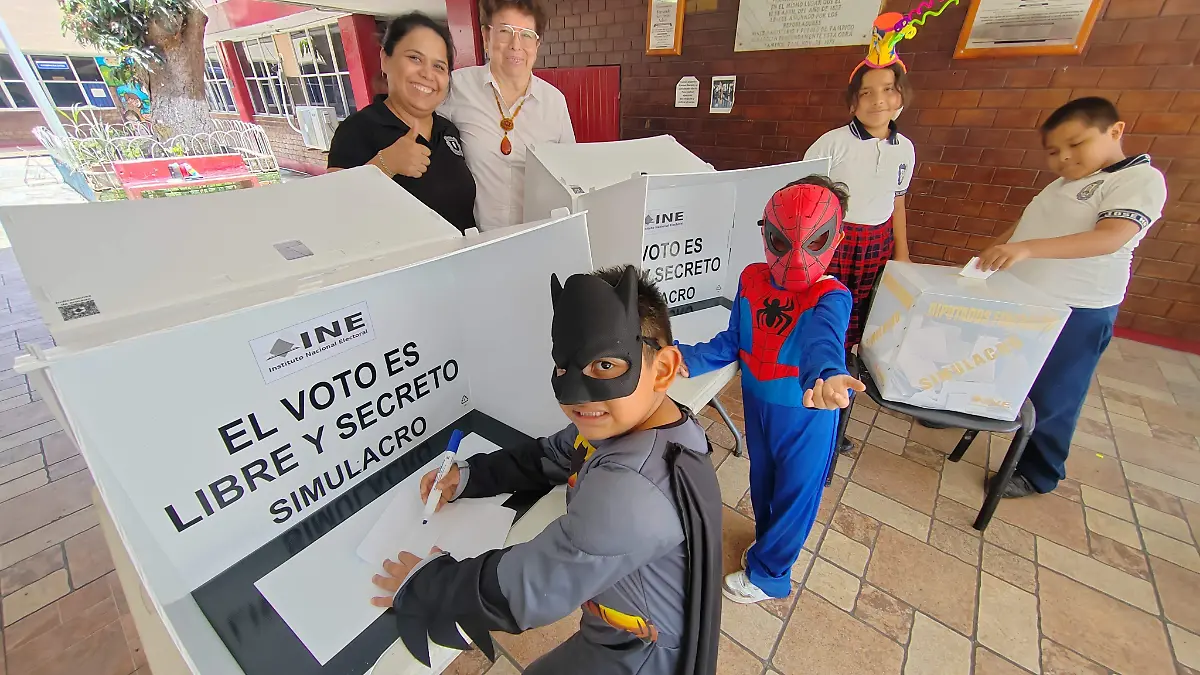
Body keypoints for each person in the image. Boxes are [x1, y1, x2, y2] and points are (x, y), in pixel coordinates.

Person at [368, 265, 722, 674]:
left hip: (637, 653)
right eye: (563, 368)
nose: (574, 393)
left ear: (661, 370)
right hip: (618, 620)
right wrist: (469, 476)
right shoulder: (631, 420)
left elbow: (531, 586)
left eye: (605, 366)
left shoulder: (632, 491)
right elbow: (551, 455)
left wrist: (428, 585)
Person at [675, 177, 864, 603]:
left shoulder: (831, 295)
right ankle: (766, 546)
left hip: (806, 412)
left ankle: (771, 575)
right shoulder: (753, 278)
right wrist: (689, 357)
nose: (796, 257)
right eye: (782, 240)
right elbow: (734, 340)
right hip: (757, 406)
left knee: (796, 493)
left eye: (813, 240)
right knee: (763, 483)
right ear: (768, 231)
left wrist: (829, 374)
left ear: (835, 236)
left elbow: (824, 340)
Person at [975, 97, 1167, 498]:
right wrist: (991, 253)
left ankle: (1038, 470)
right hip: (1025, 298)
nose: (1064, 158)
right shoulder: (1065, 183)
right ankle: (970, 413)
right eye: (1053, 151)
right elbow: (1024, 226)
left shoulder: (1137, 180)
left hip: (1077, 308)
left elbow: (1110, 236)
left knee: (1055, 391)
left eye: (1076, 144)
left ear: (1115, 131)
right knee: (1000, 365)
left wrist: (1027, 250)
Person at [804, 15, 915, 447]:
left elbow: (899, 201)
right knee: (823, 314)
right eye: (866, 93)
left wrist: (901, 254)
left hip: (878, 245)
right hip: (835, 242)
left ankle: (838, 405)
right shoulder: (833, 143)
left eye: (888, 90)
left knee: (857, 324)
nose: (878, 100)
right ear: (852, 103)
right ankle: (812, 392)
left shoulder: (904, 149)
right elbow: (808, 198)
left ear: (902, 98)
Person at [326, 13, 477, 233]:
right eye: (415, 58)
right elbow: (333, 213)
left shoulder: (448, 130)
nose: (427, 73)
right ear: (385, 59)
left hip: (463, 263)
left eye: (439, 66)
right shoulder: (357, 130)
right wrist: (385, 165)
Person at [440, 0, 575, 231]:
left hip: (538, 238)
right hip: (472, 240)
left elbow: (570, 174)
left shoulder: (554, 102)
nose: (516, 45)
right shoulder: (456, 88)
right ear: (486, 36)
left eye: (527, 35)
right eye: (505, 31)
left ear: (537, 44)